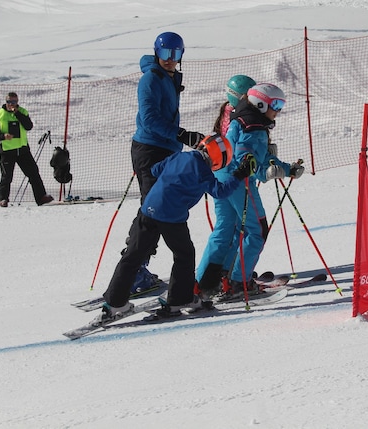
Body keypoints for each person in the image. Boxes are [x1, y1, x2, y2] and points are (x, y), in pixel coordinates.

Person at [96, 133, 255, 323]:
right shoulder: (203, 171)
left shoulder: (182, 156)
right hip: (171, 216)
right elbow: (220, 192)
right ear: (218, 158)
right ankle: (178, 300)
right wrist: (239, 174)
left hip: (148, 209)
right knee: (184, 255)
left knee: (133, 256)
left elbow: (155, 170)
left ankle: (115, 303)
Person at [195, 82, 304, 300]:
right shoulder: (254, 127)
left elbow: (258, 156)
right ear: (260, 104)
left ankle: (207, 281)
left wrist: (286, 169)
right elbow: (247, 155)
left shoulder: (242, 118)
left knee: (225, 228)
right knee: (257, 231)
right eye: (276, 104)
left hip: (222, 177)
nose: (279, 110)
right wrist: (265, 171)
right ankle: (238, 282)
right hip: (239, 182)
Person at [128, 31, 205, 293]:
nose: (170, 60)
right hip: (150, 149)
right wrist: (182, 134)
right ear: (156, 53)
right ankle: (134, 269)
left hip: (165, 149)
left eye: (175, 55)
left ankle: (139, 266)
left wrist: (180, 137)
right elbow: (149, 119)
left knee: (160, 207)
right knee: (153, 209)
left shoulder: (168, 77)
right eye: (165, 54)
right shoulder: (150, 79)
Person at [0, 92, 54, 207]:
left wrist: (17, 113)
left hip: (22, 149)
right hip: (7, 150)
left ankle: (41, 197)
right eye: (9, 102)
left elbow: (28, 126)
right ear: (6, 102)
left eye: (14, 102)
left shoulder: (22, 112)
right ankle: (3, 199)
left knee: (33, 173)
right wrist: (3, 136)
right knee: (6, 176)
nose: (11, 104)